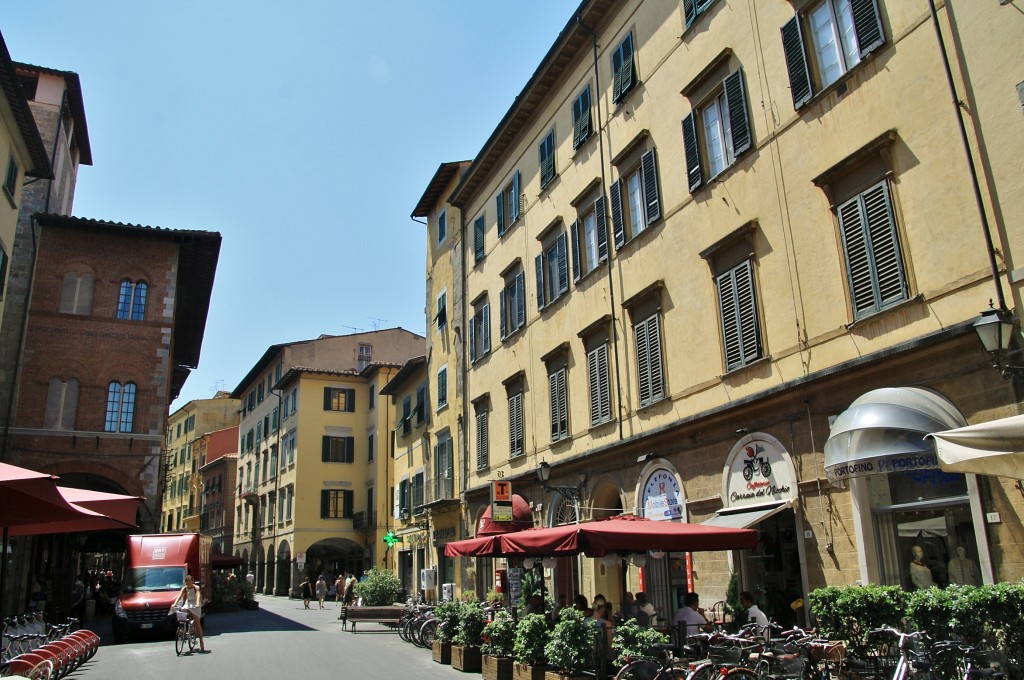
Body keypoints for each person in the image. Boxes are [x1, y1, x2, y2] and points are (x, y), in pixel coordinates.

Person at [172, 574, 206, 653]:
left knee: (197, 624)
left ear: (192, 582)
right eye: (186, 583)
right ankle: (182, 628)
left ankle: (201, 642)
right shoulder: (184, 588)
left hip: (195, 604)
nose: (187, 585)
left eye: (189, 583)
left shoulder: (196, 588)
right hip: (188, 603)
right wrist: (174, 604)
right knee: (182, 611)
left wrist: (197, 603)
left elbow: (197, 596)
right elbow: (179, 596)